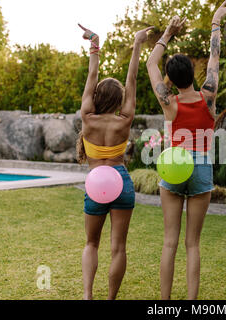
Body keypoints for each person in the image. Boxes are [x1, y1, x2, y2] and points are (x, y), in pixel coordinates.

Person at [146, 1, 226, 300]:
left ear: (170, 78)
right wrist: (214, 22)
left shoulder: (168, 101)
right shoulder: (208, 95)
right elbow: (214, 57)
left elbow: (149, 64)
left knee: (170, 241)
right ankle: (192, 304)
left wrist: (167, 34)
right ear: (192, 73)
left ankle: (165, 303)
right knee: (192, 244)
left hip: (173, 165)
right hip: (201, 168)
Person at [77, 23, 153, 300]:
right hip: (121, 181)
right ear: (119, 99)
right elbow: (132, 79)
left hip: (96, 183)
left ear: (96, 97)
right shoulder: (125, 119)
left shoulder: (88, 116)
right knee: (118, 247)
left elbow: (92, 74)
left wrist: (95, 45)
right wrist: (137, 45)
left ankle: (88, 296)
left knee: (91, 243)